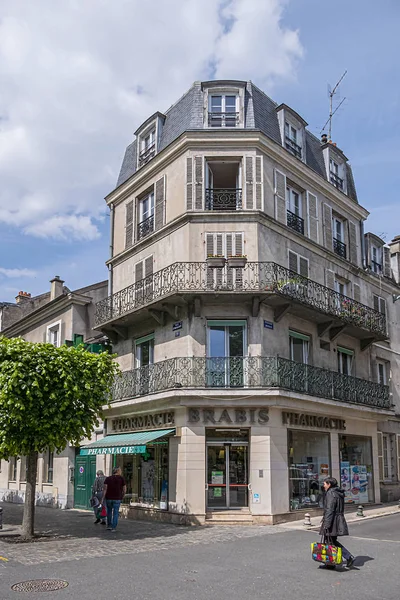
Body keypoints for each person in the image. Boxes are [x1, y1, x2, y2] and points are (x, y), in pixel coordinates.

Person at [320, 477, 355, 569]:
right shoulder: (337, 492)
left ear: (329, 484)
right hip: (337, 519)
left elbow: (330, 509)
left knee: (330, 540)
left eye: (324, 484)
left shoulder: (330, 493)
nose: (323, 486)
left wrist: (326, 524)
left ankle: (347, 557)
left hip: (332, 520)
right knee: (332, 541)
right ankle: (332, 562)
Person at [101, 466, 126, 532]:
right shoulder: (121, 479)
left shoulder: (108, 479)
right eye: (120, 470)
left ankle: (109, 525)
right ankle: (114, 527)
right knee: (115, 513)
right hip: (117, 498)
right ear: (117, 471)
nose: (121, 471)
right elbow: (124, 489)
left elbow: (105, 489)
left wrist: (103, 498)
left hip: (109, 498)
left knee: (109, 512)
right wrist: (122, 495)